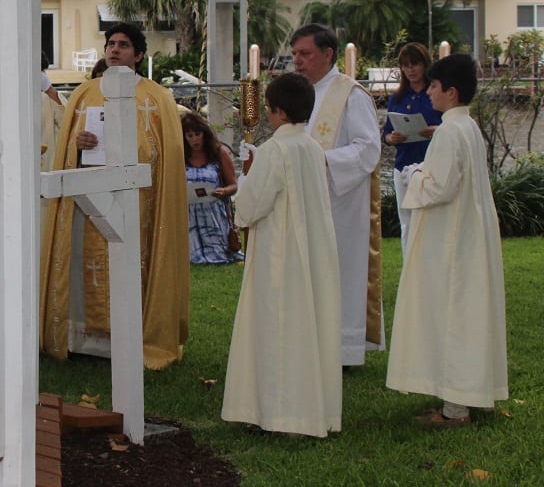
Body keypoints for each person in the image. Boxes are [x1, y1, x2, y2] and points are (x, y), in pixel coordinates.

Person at [40, 23, 189, 369]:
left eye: (123, 45)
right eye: (110, 44)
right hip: (88, 198)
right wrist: (79, 146)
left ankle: (136, 336)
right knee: (85, 264)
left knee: (134, 265)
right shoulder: (85, 93)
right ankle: (82, 340)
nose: (114, 50)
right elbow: (68, 147)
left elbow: (163, 152)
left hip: (140, 200)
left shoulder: (156, 97)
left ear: (138, 55)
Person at [386, 54, 507, 427]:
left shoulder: (449, 132)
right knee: (469, 312)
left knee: (453, 312)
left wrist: (414, 175)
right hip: (469, 229)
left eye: (435, 87)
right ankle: (472, 393)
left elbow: (440, 186)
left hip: (453, 238)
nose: (430, 93)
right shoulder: (466, 127)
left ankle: (455, 409)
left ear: (450, 92)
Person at [222, 73, 341, 437]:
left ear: (277, 111)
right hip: (312, 251)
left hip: (281, 254)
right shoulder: (312, 148)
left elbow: (252, 204)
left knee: (279, 328)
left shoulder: (275, 150)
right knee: (306, 327)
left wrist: (242, 186)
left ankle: (281, 415)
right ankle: (307, 411)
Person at [290, 23, 382, 367]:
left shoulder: (350, 94)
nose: (297, 61)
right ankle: (312, 341)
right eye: (295, 54)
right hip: (310, 198)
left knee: (340, 271)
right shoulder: (303, 93)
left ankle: (342, 349)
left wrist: (321, 160)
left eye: (305, 54)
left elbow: (368, 149)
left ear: (328, 54)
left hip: (341, 202)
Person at [380, 42, 442, 256]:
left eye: (415, 64)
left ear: (425, 65)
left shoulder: (435, 94)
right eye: (406, 65)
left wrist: (436, 130)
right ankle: (409, 269)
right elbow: (385, 134)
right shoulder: (397, 98)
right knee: (406, 222)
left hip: (430, 165)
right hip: (403, 164)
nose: (411, 70)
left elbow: (449, 126)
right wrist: (392, 137)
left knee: (430, 220)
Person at [182, 112, 241, 264]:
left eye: (197, 134)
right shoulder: (180, 156)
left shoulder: (218, 153)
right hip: (189, 215)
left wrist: (224, 191)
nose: (195, 139)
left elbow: (234, 185)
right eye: (189, 136)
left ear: (204, 133)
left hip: (214, 214)